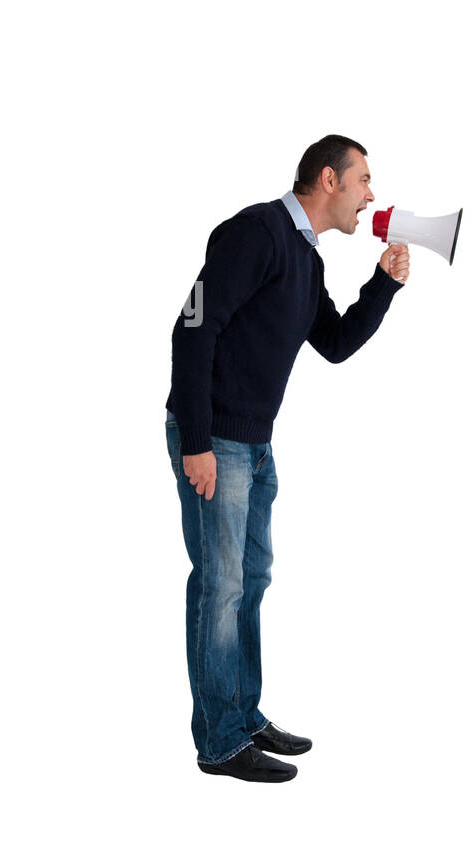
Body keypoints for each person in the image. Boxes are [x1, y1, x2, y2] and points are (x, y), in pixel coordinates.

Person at [164, 134, 411, 782]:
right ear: (328, 179)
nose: (371, 195)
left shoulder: (306, 259)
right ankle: (218, 742)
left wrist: (382, 288)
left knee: (250, 581)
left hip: (254, 443)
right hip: (215, 439)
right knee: (220, 587)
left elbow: (331, 342)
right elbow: (191, 329)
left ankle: (243, 716)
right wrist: (196, 440)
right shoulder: (257, 231)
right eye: (363, 180)